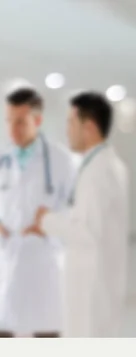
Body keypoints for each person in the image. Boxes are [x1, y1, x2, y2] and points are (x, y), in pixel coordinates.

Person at [0, 88, 76, 337]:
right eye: (9, 120)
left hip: (43, 255)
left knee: (46, 334)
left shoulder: (61, 159)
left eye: (20, 121)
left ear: (37, 120)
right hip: (5, 252)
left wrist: (50, 222)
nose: (12, 129)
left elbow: (74, 205)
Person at [30, 92, 129, 337]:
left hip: (90, 290)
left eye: (70, 123)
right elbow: (90, 219)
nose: (67, 131)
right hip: (102, 285)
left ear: (89, 127)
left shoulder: (97, 172)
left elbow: (86, 232)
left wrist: (46, 220)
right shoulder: (108, 165)